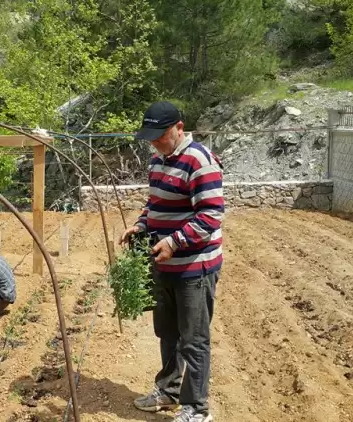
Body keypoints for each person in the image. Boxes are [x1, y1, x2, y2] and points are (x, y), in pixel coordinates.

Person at [120, 101, 224, 422]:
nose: (153, 142)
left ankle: (196, 408)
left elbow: (211, 215)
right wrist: (141, 225)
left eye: (159, 136)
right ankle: (167, 391)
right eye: (150, 136)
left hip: (194, 268)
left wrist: (174, 241)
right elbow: (154, 204)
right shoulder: (157, 160)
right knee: (167, 333)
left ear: (178, 128)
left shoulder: (200, 161)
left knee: (193, 339)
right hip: (163, 265)